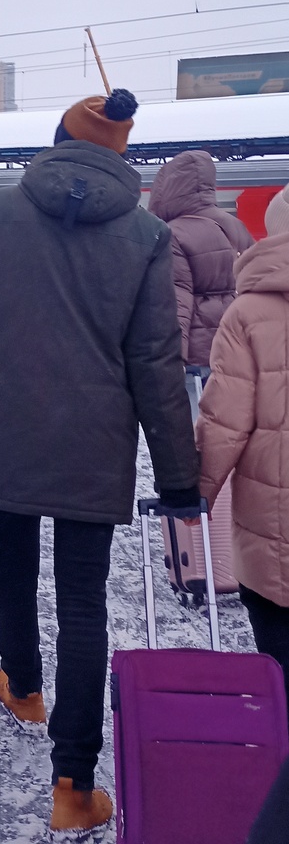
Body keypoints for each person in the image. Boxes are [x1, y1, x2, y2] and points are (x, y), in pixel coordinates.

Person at [0, 89, 200, 837]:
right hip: (93, 446)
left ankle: (23, 687)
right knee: (82, 603)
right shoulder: (143, 235)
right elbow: (156, 364)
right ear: (119, 153)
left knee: (12, 568)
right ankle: (72, 786)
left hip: (3, 432)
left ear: (57, 139)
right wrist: (176, 479)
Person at [196, 182, 289, 713]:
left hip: (276, 536)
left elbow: (223, 422)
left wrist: (193, 497)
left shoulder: (251, 312)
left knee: (280, 671)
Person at [148, 149, 254, 416]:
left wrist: (174, 357)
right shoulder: (235, 226)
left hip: (195, 355)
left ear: (168, 188)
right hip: (234, 344)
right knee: (230, 420)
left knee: (195, 428)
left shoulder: (173, 233)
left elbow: (177, 301)